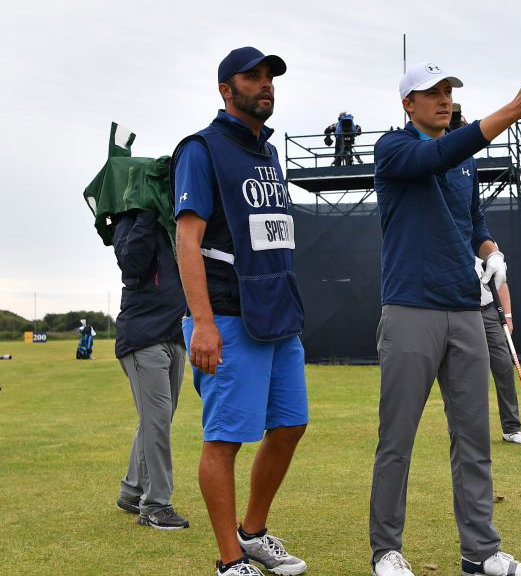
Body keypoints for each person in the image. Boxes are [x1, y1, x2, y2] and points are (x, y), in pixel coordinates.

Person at [369, 61, 521, 576]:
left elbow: (471, 220)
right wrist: (513, 111)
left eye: (448, 91)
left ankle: (480, 552)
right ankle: (386, 550)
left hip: (465, 310)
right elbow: (438, 155)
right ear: (408, 104)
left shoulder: (464, 162)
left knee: (473, 439)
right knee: (397, 440)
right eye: (431, 93)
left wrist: (490, 250)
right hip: (410, 308)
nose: (443, 99)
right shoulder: (393, 148)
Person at [172, 46, 309, 576]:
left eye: (270, 76)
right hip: (227, 315)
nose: (265, 85)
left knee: (290, 426)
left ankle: (251, 533)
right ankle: (230, 561)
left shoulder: (269, 154)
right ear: (226, 90)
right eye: (251, 77)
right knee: (224, 439)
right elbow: (188, 240)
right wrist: (202, 322)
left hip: (278, 315)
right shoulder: (201, 150)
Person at [111, 208, 190, 530]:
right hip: (143, 338)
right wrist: (145, 217)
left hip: (175, 334)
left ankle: (132, 490)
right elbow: (131, 266)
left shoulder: (178, 228)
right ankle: (156, 505)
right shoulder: (128, 224)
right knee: (156, 422)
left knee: (157, 421)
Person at [477, 257, 521, 445]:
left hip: (489, 312)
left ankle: (511, 429)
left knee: (504, 367)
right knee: (469, 372)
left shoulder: (484, 246)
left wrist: (507, 316)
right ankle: (472, 430)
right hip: (464, 313)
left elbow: (501, 283)